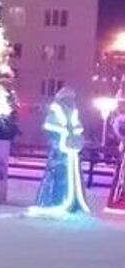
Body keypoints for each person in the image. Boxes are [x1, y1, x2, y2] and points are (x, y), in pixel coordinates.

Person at [33, 86, 91, 215]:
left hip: (72, 151)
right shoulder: (55, 111)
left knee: (72, 177)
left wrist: (76, 135)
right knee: (59, 175)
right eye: (69, 99)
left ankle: (72, 202)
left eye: (72, 99)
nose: (71, 101)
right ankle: (55, 202)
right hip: (60, 152)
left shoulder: (73, 112)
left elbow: (78, 127)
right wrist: (63, 136)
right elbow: (51, 130)